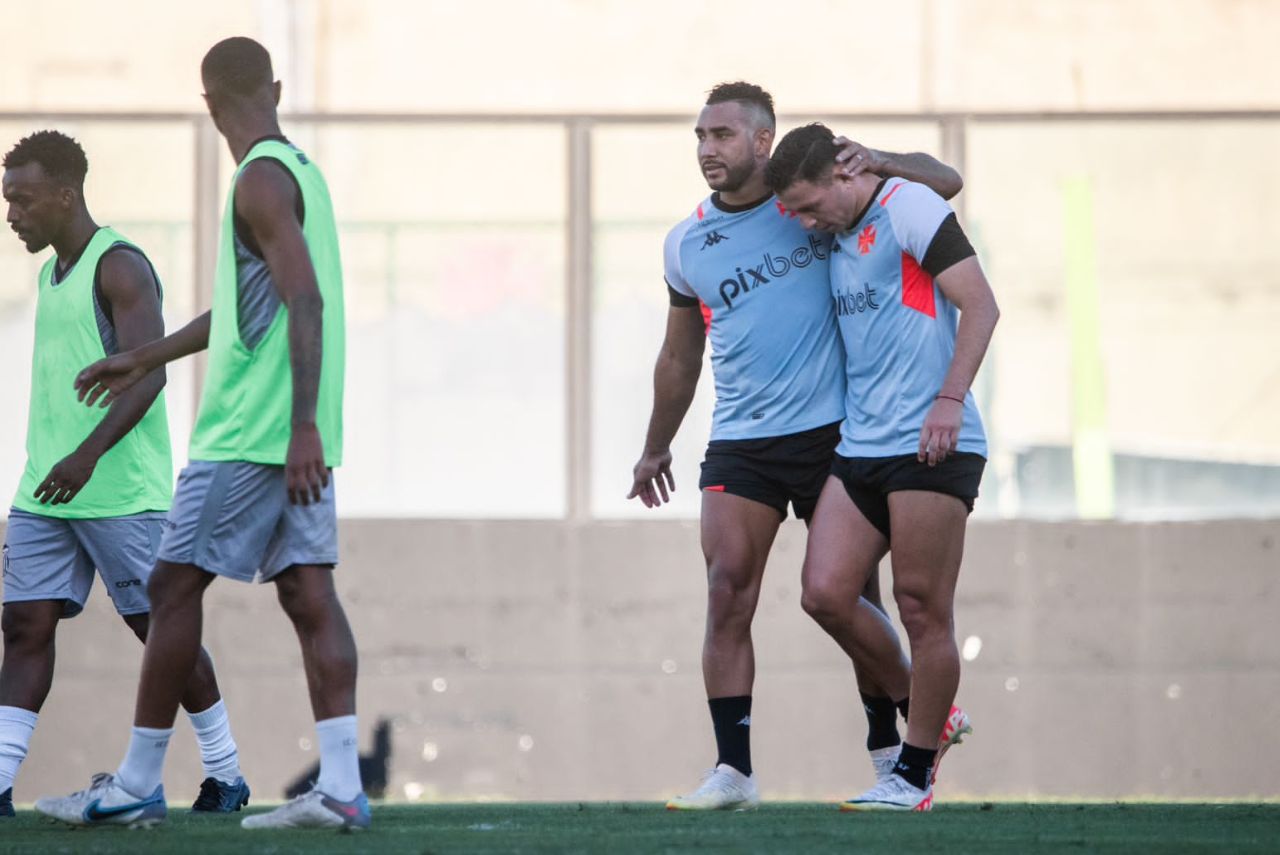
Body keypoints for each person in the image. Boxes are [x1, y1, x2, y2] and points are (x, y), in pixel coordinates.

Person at [35, 36, 367, 830]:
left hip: (253, 432)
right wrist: (145, 353)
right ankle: (343, 788)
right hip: (294, 431)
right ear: (275, 90)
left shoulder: (257, 180)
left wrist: (300, 427)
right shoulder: (301, 174)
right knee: (309, 593)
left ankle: (137, 780)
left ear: (209, 103)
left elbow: (306, 301)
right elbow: (255, 303)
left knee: (171, 586)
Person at [628, 82, 969, 811]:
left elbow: (942, 184)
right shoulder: (685, 242)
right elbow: (680, 356)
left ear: (763, 140)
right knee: (726, 588)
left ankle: (891, 749)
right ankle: (734, 771)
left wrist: (877, 157)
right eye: (700, 136)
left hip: (835, 432)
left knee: (853, 597)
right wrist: (656, 446)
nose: (707, 148)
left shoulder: (817, 201)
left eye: (722, 134)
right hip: (741, 438)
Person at [0, 130, 249, 816]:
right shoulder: (50, 273)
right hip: (46, 492)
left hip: (120, 493)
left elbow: (149, 375)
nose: (12, 215)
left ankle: (226, 773)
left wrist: (87, 456)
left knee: (158, 631)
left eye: (23, 200)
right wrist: (61, 462)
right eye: (7, 201)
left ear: (65, 195)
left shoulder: (120, 267)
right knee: (23, 626)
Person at [764, 122, 999, 811]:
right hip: (862, 445)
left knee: (922, 609)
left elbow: (981, 305)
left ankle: (915, 774)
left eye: (809, 206)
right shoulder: (836, 232)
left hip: (932, 443)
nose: (806, 223)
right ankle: (925, 707)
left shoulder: (907, 206)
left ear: (845, 173)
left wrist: (949, 400)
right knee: (825, 593)